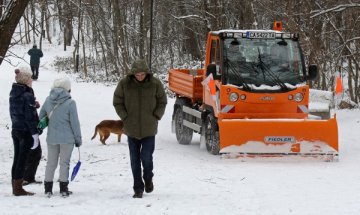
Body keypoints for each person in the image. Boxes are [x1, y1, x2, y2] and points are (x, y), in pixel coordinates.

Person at [113, 59, 167, 198]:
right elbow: (117, 101)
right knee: (134, 160)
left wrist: (156, 115)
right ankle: (138, 188)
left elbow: (162, 101)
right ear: (132, 74)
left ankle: (148, 178)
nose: (140, 77)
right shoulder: (124, 84)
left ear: (146, 73)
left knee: (146, 158)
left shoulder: (155, 83)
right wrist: (125, 117)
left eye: (142, 74)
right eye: (137, 75)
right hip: (131, 129)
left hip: (149, 129)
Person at [39, 77, 82, 197]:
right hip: (67, 139)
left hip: (51, 138)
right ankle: (63, 188)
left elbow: (41, 116)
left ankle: (48, 189)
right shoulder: (70, 103)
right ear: (67, 88)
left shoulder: (48, 100)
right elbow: (75, 123)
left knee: (51, 163)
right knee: (64, 163)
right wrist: (78, 139)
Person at [9, 68, 41, 196]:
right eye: (30, 78)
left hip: (16, 128)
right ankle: (18, 188)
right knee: (22, 160)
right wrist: (35, 134)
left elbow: (19, 111)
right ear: (26, 80)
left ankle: (14, 185)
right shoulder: (27, 95)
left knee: (17, 158)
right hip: (26, 132)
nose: (32, 80)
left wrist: (33, 104)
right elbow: (29, 117)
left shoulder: (14, 93)